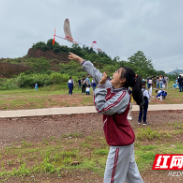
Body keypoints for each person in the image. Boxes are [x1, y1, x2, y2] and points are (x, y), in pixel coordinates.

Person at [68, 52, 144, 183]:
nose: (113, 73)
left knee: (112, 179)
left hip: (120, 143)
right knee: (132, 176)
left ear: (122, 80)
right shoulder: (112, 86)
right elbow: (95, 73)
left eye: (117, 72)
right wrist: (80, 59)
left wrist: (101, 87)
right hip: (124, 141)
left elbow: (102, 108)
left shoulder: (123, 96)